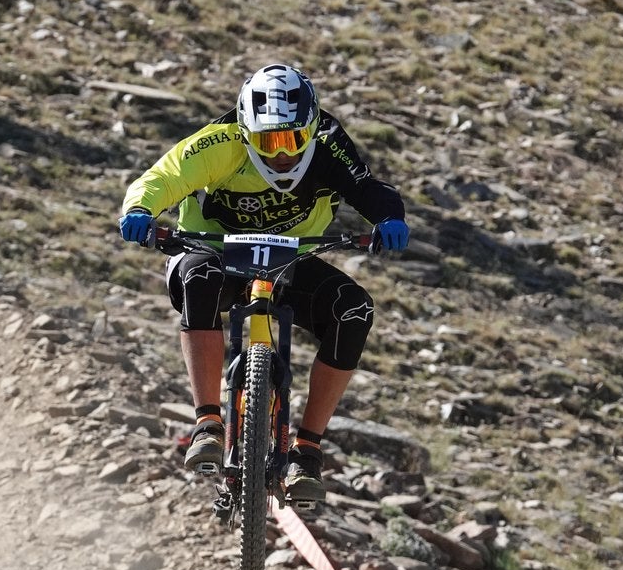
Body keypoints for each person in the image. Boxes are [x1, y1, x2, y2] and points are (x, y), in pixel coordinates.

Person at [118, 62, 408, 503]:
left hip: (292, 257)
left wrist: (390, 217)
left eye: (293, 139)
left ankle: (306, 450)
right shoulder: (219, 142)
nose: (282, 154)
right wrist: (140, 210)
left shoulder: (329, 143)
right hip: (212, 251)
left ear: (311, 129)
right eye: (267, 141)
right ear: (244, 130)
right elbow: (163, 177)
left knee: (354, 310)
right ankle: (207, 423)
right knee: (200, 278)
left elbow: (366, 187)